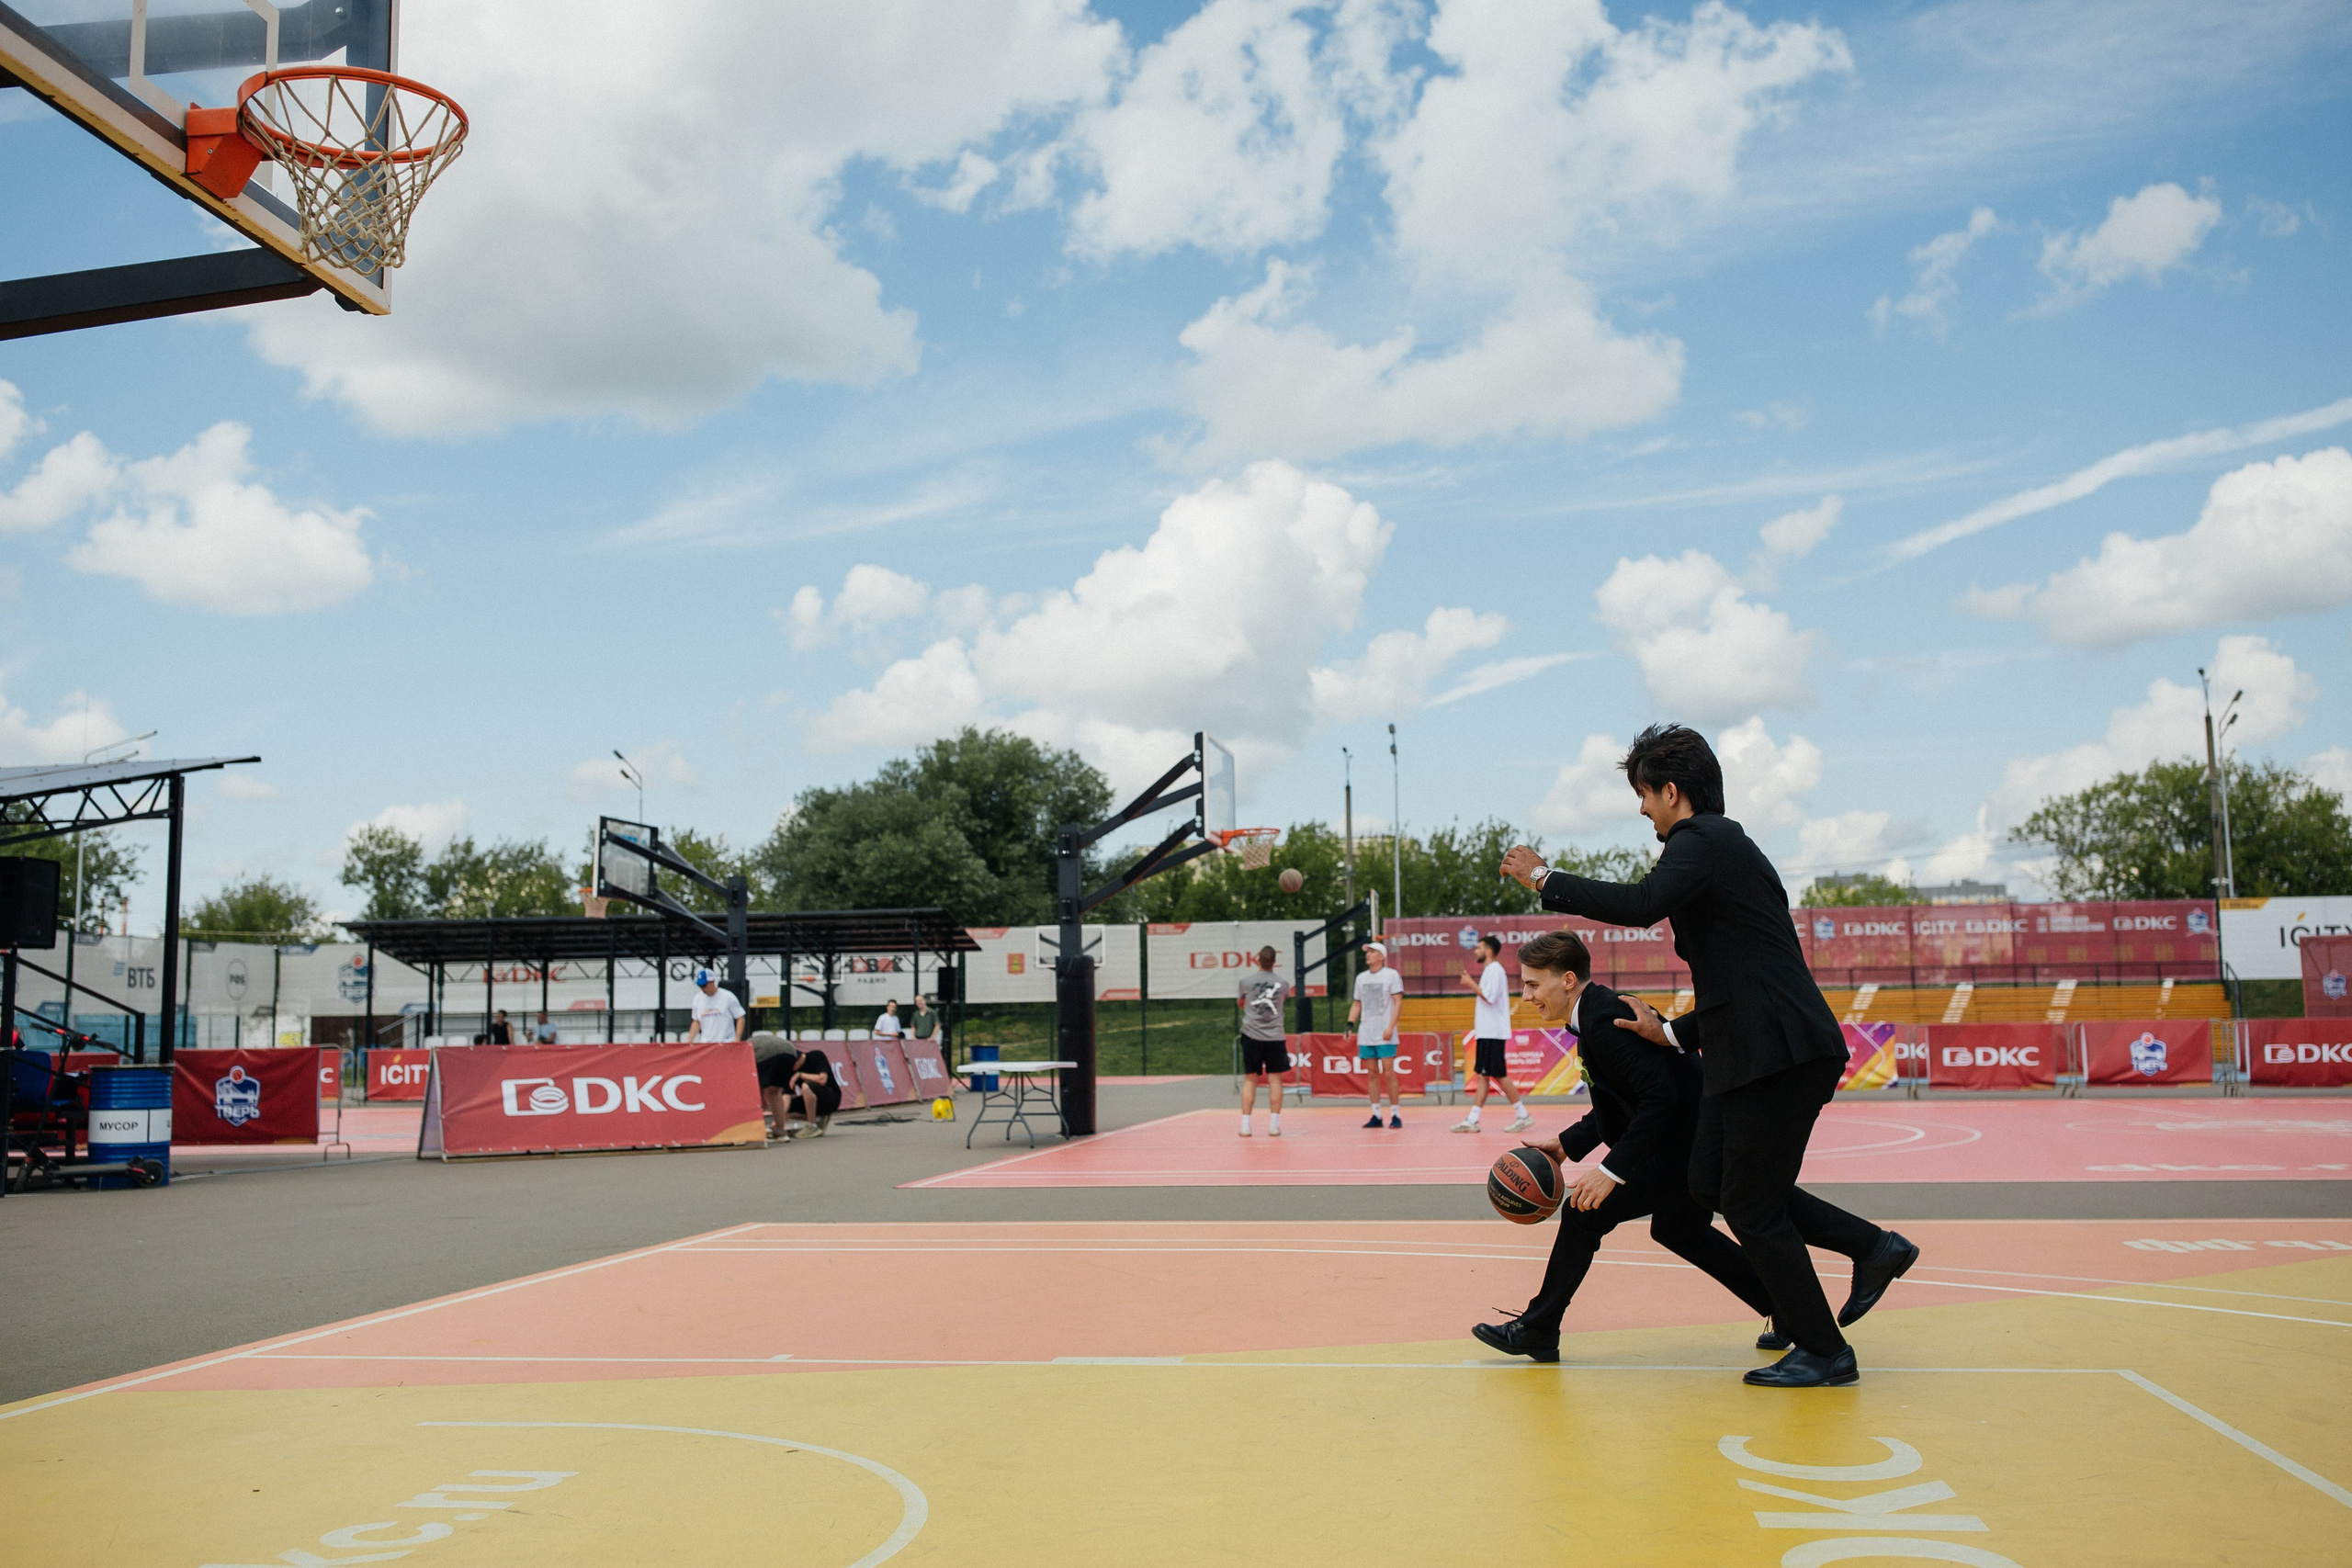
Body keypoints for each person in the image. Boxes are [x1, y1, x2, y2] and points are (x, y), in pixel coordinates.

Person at [1500, 724, 1917, 1389]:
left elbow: (1641, 905)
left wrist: (1545, 877)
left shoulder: (1707, 840)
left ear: (1672, 791)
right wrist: (1669, 1033)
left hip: (1777, 1051)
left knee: (1750, 1204)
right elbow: (1740, 975)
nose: (1641, 809)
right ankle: (1873, 1249)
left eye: (1643, 794)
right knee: (1710, 1187)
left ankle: (1825, 1347)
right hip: (1751, 1046)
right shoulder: (1720, 855)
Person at [1470, 930, 1777, 1362]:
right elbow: (1625, 1101)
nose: (1527, 996)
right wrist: (1565, 1143)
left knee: (1582, 1214)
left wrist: (1611, 1171)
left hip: (1688, 1143)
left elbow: (1660, 1101)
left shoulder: (1602, 1021)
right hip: (1690, 1136)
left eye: (1534, 984)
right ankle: (1787, 1307)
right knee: (1679, 1229)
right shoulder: (1595, 1013)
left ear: (1569, 979)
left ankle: (1538, 1329)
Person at [1453, 935, 1532, 1134]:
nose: (1475, 950)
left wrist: (1470, 983)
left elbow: (1489, 997)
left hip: (1493, 1033)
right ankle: (1473, 1119)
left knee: (1498, 1074)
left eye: (1479, 947)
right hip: (1486, 1032)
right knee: (1483, 1076)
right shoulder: (1490, 970)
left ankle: (1523, 1115)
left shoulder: (1495, 970)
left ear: (1488, 951)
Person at [1236, 945, 1292, 1137]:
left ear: (1257, 959)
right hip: (1275, 1036)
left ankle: (1246, 1125)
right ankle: (1274, 1125)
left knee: (1250, 1079)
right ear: (1274, 961)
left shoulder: (1245, 982)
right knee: (1275, 1080)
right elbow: (1283, 1001)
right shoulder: (1283, 984)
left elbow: (1241, 1002)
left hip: (1252, 1035)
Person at [1350, 942, 1407, 1128]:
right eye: (1368, 952)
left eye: (1373, 952)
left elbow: (1398, 1002)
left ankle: (1396, 1114)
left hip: (1384, 1030)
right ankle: (1376, 1114)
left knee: (1389, 1072)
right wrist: (1349, 1024)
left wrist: (1391, 1026)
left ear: (1381, 956)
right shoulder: (1361, 978)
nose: (1369, 955)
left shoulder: (1391, 975)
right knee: (1372, 1073)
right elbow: (1357, 1003)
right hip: (1366, 1031)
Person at [777, 1042, 843, 1138]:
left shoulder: (816, 1056)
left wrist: (800, 1075)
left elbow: (822, 1079)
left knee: (806, 1086)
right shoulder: (791, 1071)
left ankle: (811, 1125)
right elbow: (786, 1096)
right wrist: (779, 1119)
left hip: (831, 1097)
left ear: (798, 1060)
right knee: (783, 1111)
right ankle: (817, 1119)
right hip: (812, 1102)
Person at [751, 1031, 801, 1135]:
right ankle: (780, 1130)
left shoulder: (743, 1049)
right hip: (790, 1052)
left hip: (766, 1054)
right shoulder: (754, 1042)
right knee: (774, 1092)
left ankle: (754, 1130)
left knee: (755, 1092)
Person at [689, 969, 747, 1043]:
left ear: (712, 982)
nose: (702, 988)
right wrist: (689, 1040)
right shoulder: (697, 998)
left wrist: (737, 1039)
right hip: (706, 1044)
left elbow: (740, 1017)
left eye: (704, 985)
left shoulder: (727, 996)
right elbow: (696, 1021)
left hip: (725, 1042)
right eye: (700, 986)